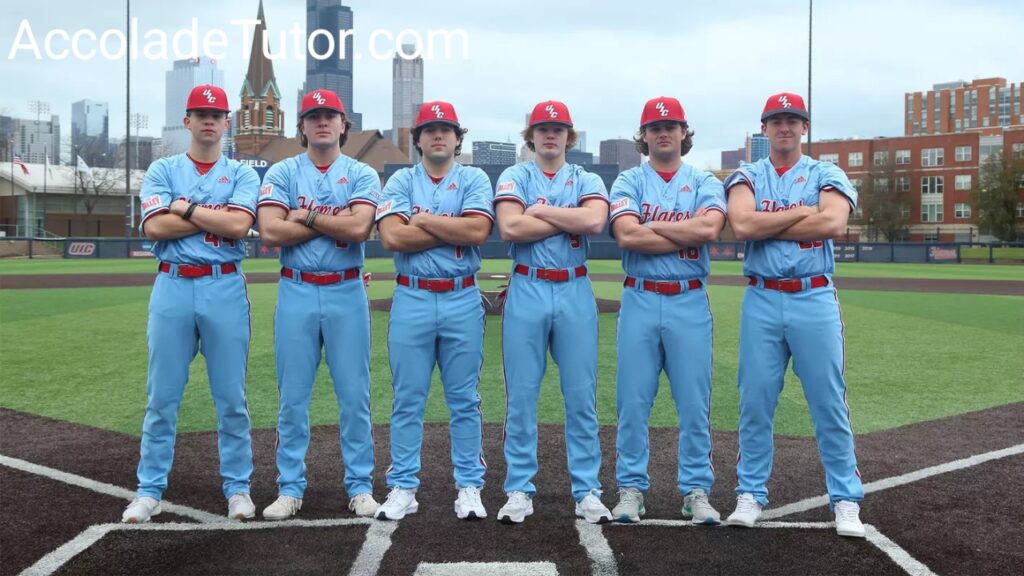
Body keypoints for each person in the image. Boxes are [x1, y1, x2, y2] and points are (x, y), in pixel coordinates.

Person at [723, 92, 865, 538]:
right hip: (763, 297)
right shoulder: (746, 174)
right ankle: (750, 493)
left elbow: (833, 224)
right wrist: (804, 210)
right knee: (755, 400)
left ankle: (845, 500)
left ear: (804, 127)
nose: (784, 127)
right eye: (776, 120)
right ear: (763, 129)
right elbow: (742, 226)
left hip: (813, 296)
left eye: (793, 120)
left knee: (828, 402)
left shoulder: (827, 171)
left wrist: (776, 218)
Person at [124, 84, 259, 523]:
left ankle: (238, 488)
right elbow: (154, 229)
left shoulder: (242, 173)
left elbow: (238, 225)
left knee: (231, 398)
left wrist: (184, 208)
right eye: (200, 112)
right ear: (186, 121)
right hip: (173, 285)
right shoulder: (163, 168)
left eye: (216, 114)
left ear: (226, 123)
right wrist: (205, 215)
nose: (208, 120)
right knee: (161, 396)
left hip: (224, 286)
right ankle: (149, 490)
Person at [256, 89, 380, 520]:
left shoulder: (362, 173)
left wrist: (304, 216)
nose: (322, 122)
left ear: (344, 125)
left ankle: (360, 486)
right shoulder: (284, 171)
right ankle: (290, 488)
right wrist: (334, 222)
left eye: (330, 116)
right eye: (314, 116)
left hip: (346, 289)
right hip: (297, 289)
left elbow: (360, 229)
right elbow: (271, 232)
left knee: (354, 395)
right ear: (302, 126)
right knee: (292, 397)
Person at [493, 100, 612, 524]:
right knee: (521, 398)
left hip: (575, 287)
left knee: (581, 397)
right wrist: (569, 218)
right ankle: (519, 489)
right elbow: (511, 227)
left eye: (558, 128)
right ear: (531, 134)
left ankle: (587, 490)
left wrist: (539, 210)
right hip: (527, 285)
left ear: (569, 135)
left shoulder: (586, 177)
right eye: (542, 127)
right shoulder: (514, 175)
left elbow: (596, 222)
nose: (550, 134)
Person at [608, 96, 726, 525]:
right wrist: (683, 233)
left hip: (689, 297)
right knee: (633, 402)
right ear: (644, 136)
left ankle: (697, 490)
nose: (663, 132)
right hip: (640, 296)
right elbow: (626, 236)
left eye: (671, 125)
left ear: (683, 133)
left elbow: (710, 228)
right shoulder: (627, 182)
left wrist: (650, 226)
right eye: (655, 126)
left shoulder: (704, 181)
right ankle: (630, 489)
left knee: (695, 403)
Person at [374, 101, 494, 521]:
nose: (437, 135)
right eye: (429, 129)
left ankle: (469, 485)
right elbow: (391, 237)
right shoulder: (401, 180)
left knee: (464, 397)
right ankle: (404, 485)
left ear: (458, 137)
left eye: (445, 128)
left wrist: (421, 220)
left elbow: (477, 230)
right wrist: (448, 226)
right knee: (408, 398)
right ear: (418, 138)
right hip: (412, 295)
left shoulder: (474, 177)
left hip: (462, 296)